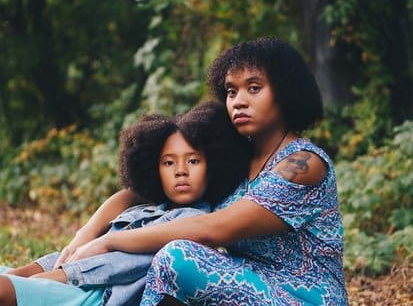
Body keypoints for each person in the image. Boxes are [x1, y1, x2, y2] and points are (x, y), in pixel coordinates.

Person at [26, 36, 347, 305]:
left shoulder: (303, 164)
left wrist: (111, 243)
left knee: (177, 256)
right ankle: (44, 281)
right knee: (160, 249)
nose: (239, 101)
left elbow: (214, 229)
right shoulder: (238, 157)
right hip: (248, 281)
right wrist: (88, 234)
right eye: (231, 91)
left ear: (286, 92)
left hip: (307, 296)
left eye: (254, 88)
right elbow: (138, 191)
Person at [0, 101, 251, 306]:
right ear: (154, 169)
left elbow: (116, 265)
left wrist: (47, 278)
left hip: (95, 296)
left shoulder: (190, 225)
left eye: (193, 161)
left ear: (213, 166)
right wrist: (24, 272)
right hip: (70, 280)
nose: (181, 171)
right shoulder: (147, 209)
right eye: (168, 163)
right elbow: (78, 254)